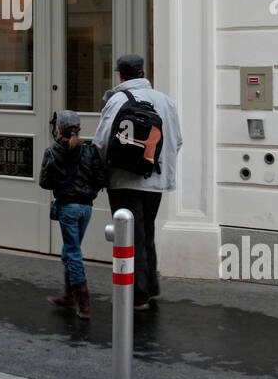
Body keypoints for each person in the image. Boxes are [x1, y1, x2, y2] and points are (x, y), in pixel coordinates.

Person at [92, 54, 182, 311]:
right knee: (147, 232)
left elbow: (101, 141)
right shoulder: (165, 101)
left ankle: (138, 294)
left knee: (130, 237)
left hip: (123, 179)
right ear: (143, 72)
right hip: (155, 179)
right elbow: (176, 140)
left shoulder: (117, 100)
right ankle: (151, 288)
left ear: (120, 75)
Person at [38, 110, 107, 319]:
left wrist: (61, 184)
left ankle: (84, 304)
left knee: (73, 253)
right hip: (86, 208)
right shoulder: (90, 150)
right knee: (70, 250)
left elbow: (44, 182)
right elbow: (100, 178)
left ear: (58, 129)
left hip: (68, 208)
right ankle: (69, 295)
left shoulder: (52, 152)